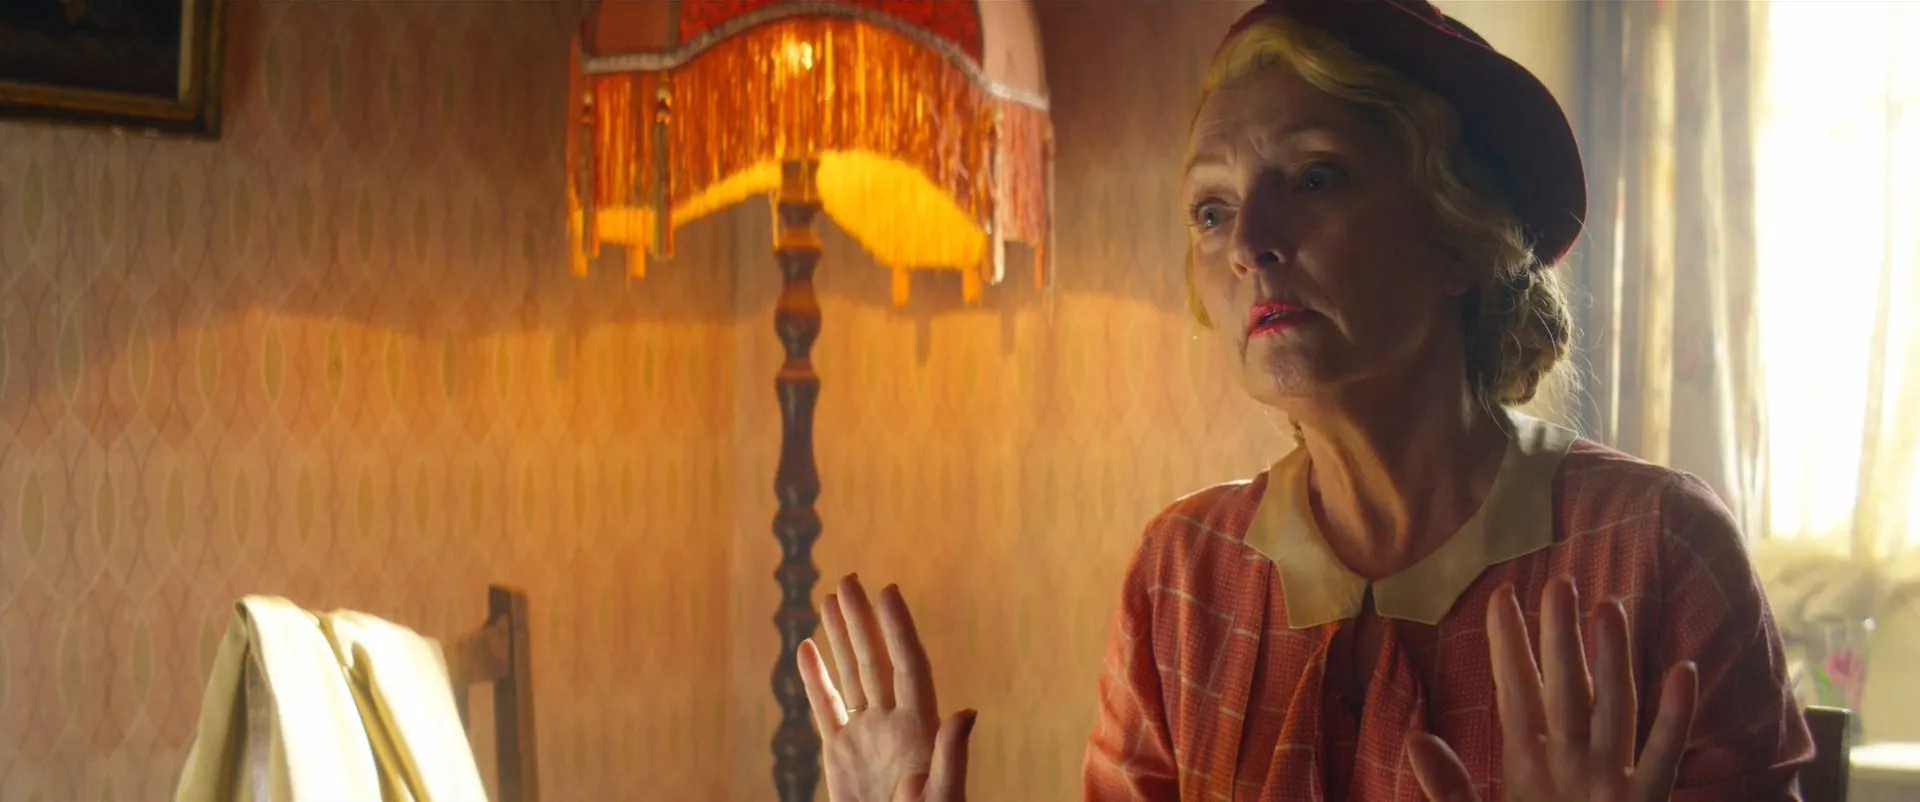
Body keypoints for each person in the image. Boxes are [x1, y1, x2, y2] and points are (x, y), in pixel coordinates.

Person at [795, 1, 1814, 799]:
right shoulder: (1183, 574)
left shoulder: (1655, 554)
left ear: (1459, 239)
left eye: (1316, 178)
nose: (1249, 243)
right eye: (1212, 209)